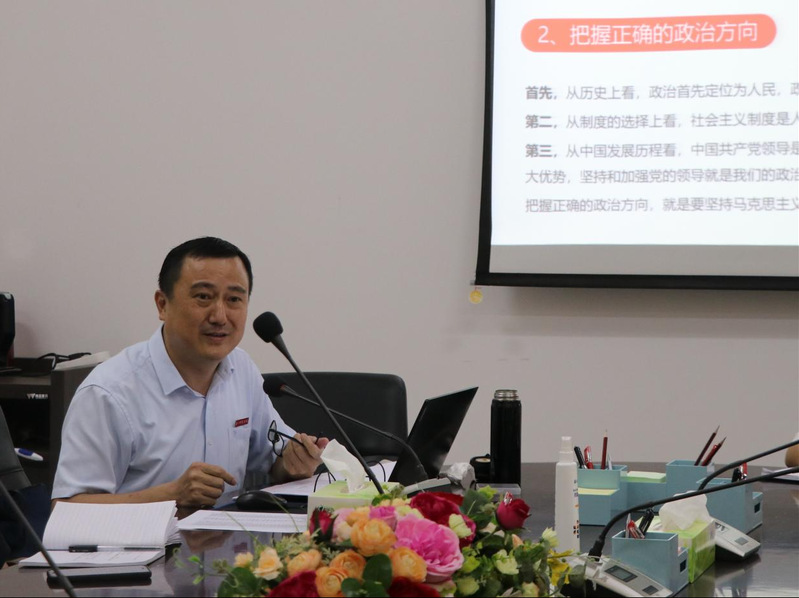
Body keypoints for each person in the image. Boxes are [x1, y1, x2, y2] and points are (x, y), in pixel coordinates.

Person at [52, 237, 328, 507]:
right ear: (163, 305)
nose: (219, 316)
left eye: (234, 299)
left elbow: (273, 461)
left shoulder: (241, 368)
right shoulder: (109, 393)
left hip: (227, 536)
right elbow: (66, 509)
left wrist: (294, 463)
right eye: (203, 297)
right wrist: (171, 495)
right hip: (146, 540)